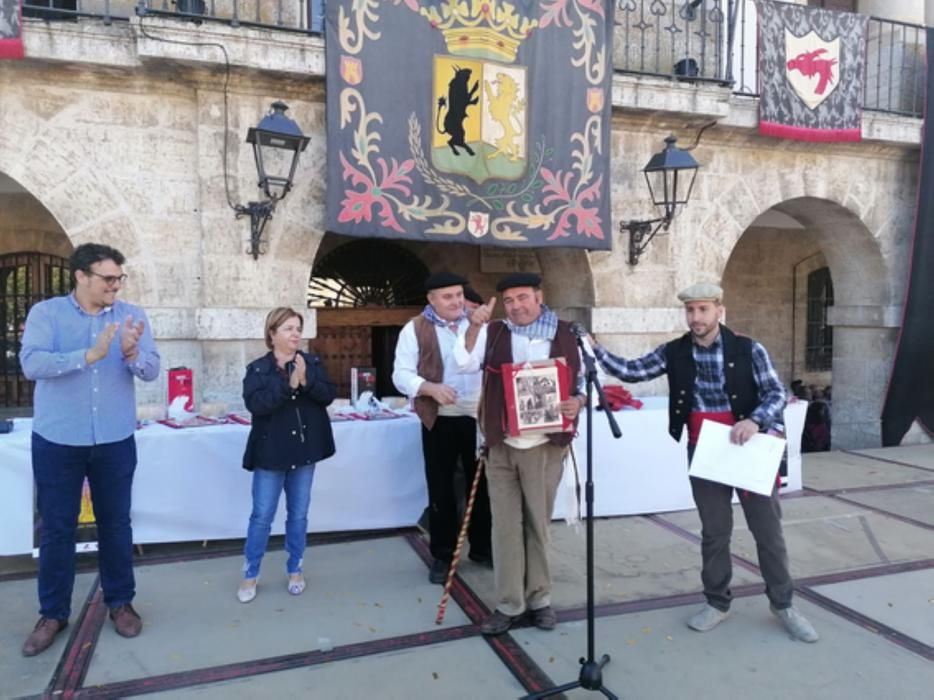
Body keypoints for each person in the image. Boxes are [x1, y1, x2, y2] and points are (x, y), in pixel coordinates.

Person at [590, 282, 819, 643]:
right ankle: (717, 602)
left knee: (768, 531)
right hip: (705, 447)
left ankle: (783, 603)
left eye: (703, 310)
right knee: (714, 532)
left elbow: (777, 392)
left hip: (749, 444)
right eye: (690, 310)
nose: (695, 317)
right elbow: (632, 371)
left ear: (719, 311)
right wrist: (594, 350)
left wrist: (754, 420)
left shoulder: (748, 348)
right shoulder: (675, 351)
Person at [19, 243, 160, 657]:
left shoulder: (133, 316)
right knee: (58, 529)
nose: (116, 286)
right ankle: (53, 613)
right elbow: (32, 365)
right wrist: (89, 355)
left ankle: (121, 603)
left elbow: (152, 370)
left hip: (115, 438)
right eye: (108, 278)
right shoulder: (47, 314)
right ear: (81, 276)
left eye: (119, 278)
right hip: (59, 440)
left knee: (116, 525)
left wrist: (133, 354)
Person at [455, 272, 585, 635]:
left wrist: (578, 401)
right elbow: (464, 362)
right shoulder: (493, 332)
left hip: (545, 446)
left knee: (537, 523)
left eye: (522, 298)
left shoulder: (566, 332)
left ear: (539, 297)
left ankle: (539, 599)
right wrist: (472, 327)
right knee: (505, 527)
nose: (515, 306)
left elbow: (590, 378)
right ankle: (509, 603)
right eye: (509, 301)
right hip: (501, 445)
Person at [392, 272, 492, 584]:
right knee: (442, 487)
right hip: (440, 417)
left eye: (459, 295)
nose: (456, 301)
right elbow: (400, 374)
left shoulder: (478, 324)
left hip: (479, 416)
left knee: (484, 484)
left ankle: (482, 548)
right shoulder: (414, 328)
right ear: (431, 299)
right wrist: (429, 388)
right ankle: (443, 554)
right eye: (447, 296)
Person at [237, 307, 336, 603]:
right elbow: (257, 405)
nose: (295, 334)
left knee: (299, 514)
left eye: (297, 328)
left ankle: (295, 568)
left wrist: (306, 381)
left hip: (303, 453)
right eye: (288, 328)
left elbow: (327, 395)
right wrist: (288, 385)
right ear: (272, 334)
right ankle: (250, 573)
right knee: (262, 515)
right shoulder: (257, 369)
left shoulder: (312, 363)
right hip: (270, 454)